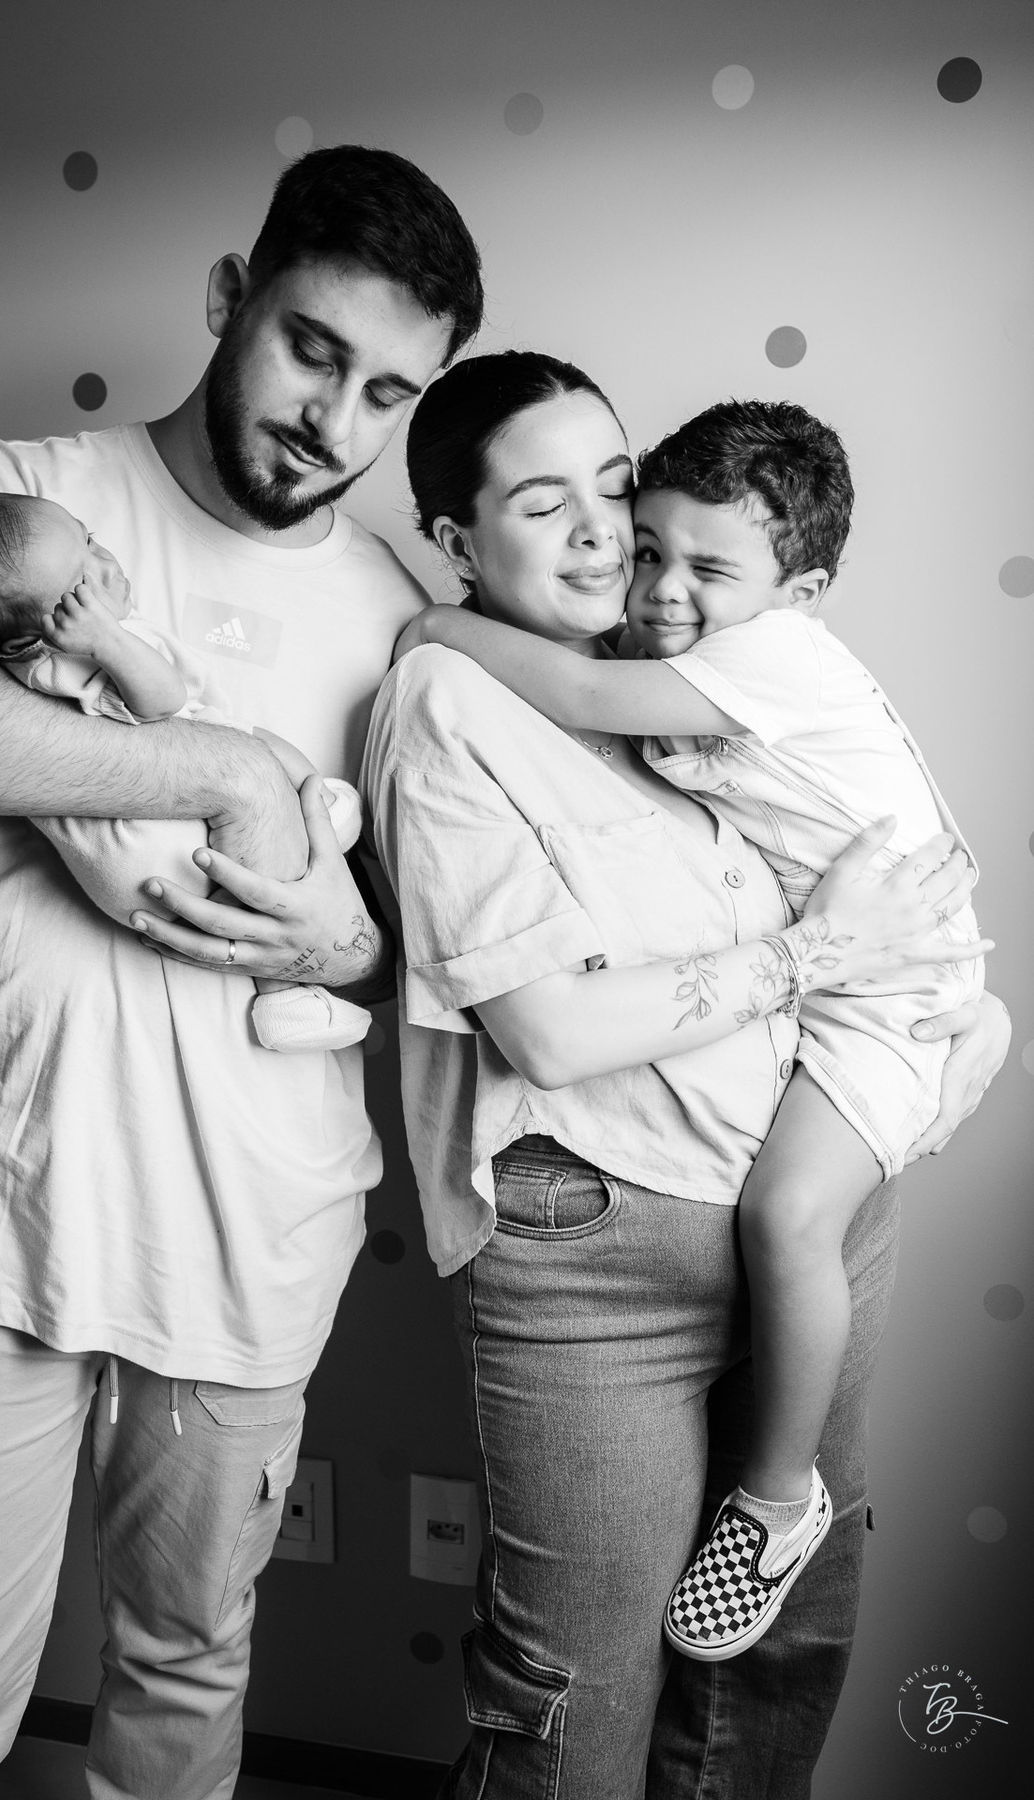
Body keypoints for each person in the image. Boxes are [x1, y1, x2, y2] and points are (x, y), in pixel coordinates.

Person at [0, 146, 483, 1796]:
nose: (336, 421)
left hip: (250, 1231)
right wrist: (217, 769)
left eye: (389, 392)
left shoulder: (408, 621)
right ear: (227, 297)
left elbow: (423, 933)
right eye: (312, 351)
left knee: (186, 1678)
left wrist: (348, 941)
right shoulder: (19, 498)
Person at [357, 350, 1004, 1797]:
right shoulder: (454, 702)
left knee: (780, 1661)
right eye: (551, 506)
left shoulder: (691, 672)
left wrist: (965, 1020)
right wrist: (824, 957)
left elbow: (859, 861)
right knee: (576, 1703)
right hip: (608, 1252)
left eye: (612, 488)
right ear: (458, 538)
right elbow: (549, 1031)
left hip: (816, 1198)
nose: (606, 541)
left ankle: (780, 1510)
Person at [0, 487, 373, 1052]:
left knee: (253, 747)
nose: (105, 561)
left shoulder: (51, 647)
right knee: (253, 863)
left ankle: (313, 810)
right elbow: (164, 700)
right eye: (80, 583)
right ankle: (286, 998)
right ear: (24, 638)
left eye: (89, 538)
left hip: (154, 837)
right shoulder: (66, 663)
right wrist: (109, 639)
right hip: (152, 854)